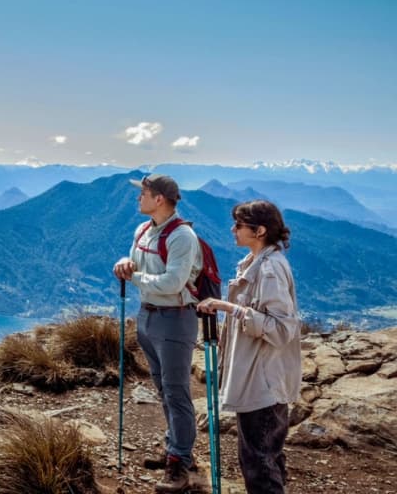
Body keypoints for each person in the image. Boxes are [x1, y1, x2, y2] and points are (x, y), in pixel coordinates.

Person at [197, 200, 301, 494]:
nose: (233, 229)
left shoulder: (269, 270)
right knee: (265, 457)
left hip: (263, 382)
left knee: (258, 463)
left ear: (260, 231)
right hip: (261, 377)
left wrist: (229, 308)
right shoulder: (256, 263)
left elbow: (281, 329)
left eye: (239, 224)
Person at [113, 173, 203, 493]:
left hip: (175, 319)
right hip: (148, 316)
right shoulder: (143, 230)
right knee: (164, 389)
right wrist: (126, 263)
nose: (138, 197)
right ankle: (176, 448)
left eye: (144, 193)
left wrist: (134, 278)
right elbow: (136, 263)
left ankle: (179, 464)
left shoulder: (182, 237)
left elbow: (173, 283)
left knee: (176, 391)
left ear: (159, 199)